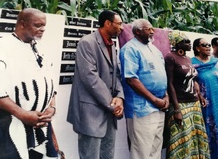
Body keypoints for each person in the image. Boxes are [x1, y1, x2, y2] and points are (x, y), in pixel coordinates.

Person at [0, 8, 58, 159]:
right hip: (12, 124)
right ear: (22, 24)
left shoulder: (40, 48)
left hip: (39, 125)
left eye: (44, 25)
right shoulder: (4, 47)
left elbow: (50, 84)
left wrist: (51, 107)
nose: (42, 29)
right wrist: (23, 114)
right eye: (37, 25)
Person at [67, 10, 124, 159]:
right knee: (90, 156)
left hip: (109, 113)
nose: (122, 28)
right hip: (91, 113)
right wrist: (112, 105)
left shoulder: (112, 44)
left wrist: (119, 97)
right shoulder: (87, 42)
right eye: (119, 24)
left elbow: (116, 74)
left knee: (107, 155)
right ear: (107, 23)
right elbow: (89, 77)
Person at [119, 18, 169, 159]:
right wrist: (154, 99)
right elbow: (131, 79)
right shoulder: (130, 49)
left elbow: (161, 75)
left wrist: (165, 97)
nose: (152, 31)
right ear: (137, 31)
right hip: (142, 108)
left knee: (156, 149)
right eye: (148, 29)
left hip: (160, 106)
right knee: (142, 151)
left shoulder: (154, 49)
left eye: (152, 28)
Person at [164, 31, 210, 159]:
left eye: (189, 41)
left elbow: (193, 79)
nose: (189, 44)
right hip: (181, 104)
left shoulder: (188, 58)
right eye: (185, 41)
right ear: (176, 43)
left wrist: (199, 95)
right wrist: (177, 109)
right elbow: (170, 84)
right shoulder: (170, 57)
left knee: (195, 137)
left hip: (194, 104)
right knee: (182, 138)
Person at [191, 38, 218, 159]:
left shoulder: (216, 62)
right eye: (204, 45)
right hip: (206, 106)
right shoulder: (192, 63)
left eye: (209, 45)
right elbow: (189, 82)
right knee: (210, 132)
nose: (208, 47)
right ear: (197, 48)